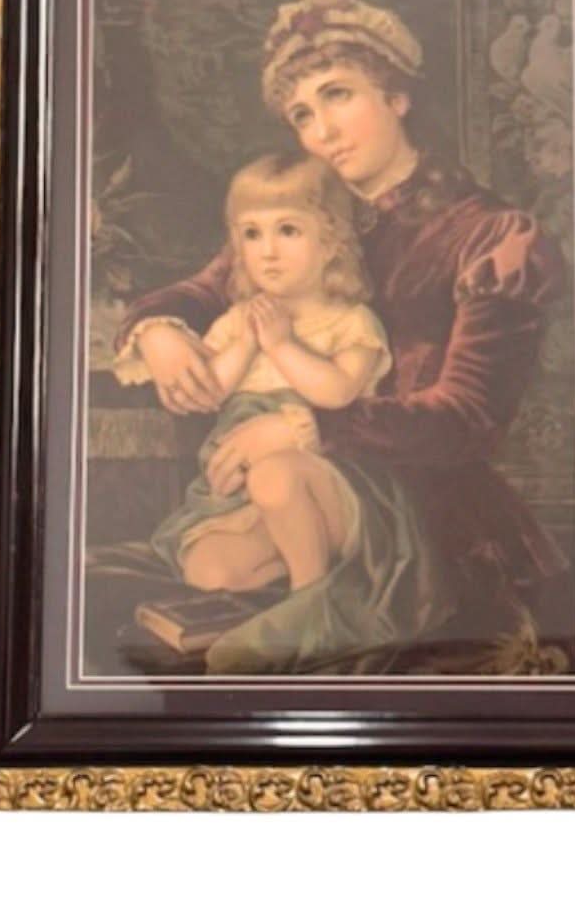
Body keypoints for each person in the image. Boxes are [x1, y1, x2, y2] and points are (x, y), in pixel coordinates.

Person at [112, 0, 567, 673]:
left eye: (338, 95)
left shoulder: (491, 237)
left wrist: (308, 428)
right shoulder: (304, 215)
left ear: (397, 97)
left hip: (431, 508)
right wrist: (159, 330)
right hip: (299, 494)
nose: (322, 130)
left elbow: (467, 421)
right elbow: (204, 290)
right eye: (302, 114)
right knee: (211, 568)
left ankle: (323, 606)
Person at [109, 152, 451, 672]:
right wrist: (247, 342)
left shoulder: (350, 321)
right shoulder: (237, 320)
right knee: (209, 569)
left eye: (288, 230)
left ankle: (311, 600)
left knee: (275, 476)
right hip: (246, 496)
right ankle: (304, 575)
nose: (267, 251)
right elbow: (211, 393)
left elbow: (336, 392)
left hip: (334, 482)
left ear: (331, 241)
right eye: (251, 234)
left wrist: (282, 344)